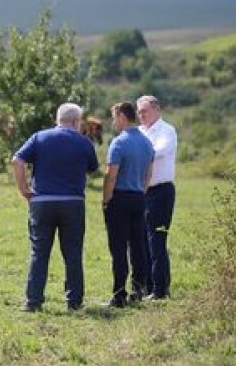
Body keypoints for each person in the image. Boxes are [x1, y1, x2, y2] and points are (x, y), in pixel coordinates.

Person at [11, 103, 99, 312]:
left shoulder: (39, 137)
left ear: (57, 119)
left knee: (39, 252)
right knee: (73, 253)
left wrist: (24, 189)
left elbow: (17, 161)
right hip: (73, 203)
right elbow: (92, 169)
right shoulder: (83, 142)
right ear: (77, 121)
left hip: (42, 202)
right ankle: (74, 302)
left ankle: (33, 302)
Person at [102, 101, 155, 307]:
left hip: (120, 198)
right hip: (139, 197)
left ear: (123, 117)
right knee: (138, 245)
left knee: (118, 246)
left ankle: (118, 293)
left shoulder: (119, 142)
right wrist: (142, 190)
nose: (113, 122)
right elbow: (149, 173)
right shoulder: (147, 143)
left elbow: (111, 175)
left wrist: (106, 199)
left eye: (114, 117)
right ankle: (138, 289)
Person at [137, 95, 177, 300]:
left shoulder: (166, 131)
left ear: (156, 109)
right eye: (139, 112)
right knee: (142, 239)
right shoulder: (140, 131)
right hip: (142, 191)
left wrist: (136, 152)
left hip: (160, 190)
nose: (141, 115)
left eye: (144, 111)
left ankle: (161, 290)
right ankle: (147, 287)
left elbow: (160, 152)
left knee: (156, 240)